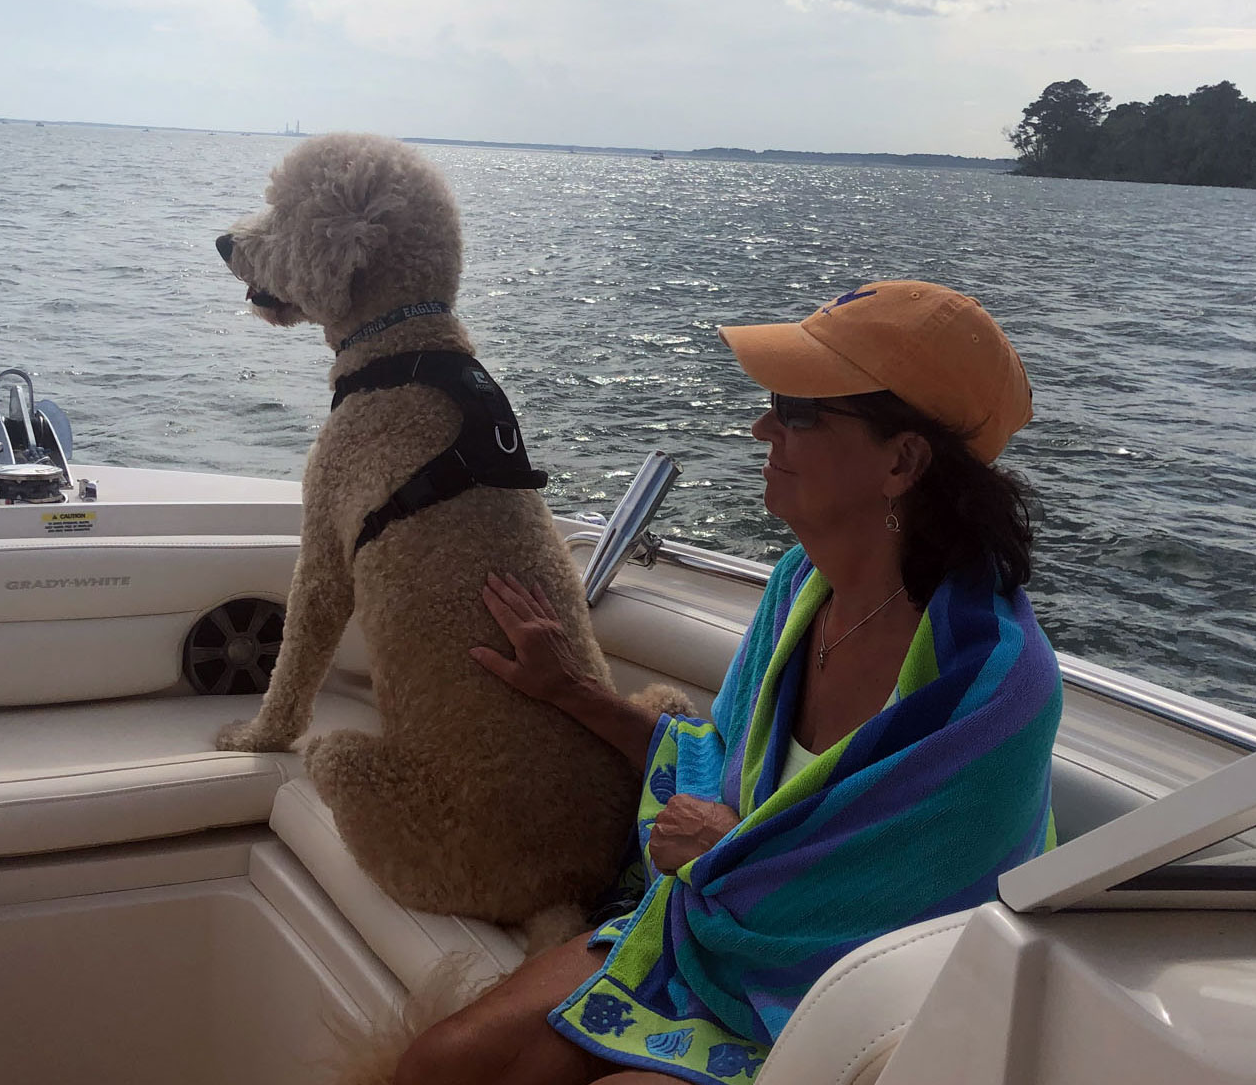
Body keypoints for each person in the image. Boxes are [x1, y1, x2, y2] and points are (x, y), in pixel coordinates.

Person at [394, 279, 1063, 1085]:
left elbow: (926, 932)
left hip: (836, 1013)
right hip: (711, 936)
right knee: (440, 1063)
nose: (761, 428)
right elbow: (723, 774)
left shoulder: (991, 689)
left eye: (798, 409)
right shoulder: (798, 589)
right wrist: (567, 689)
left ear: (903, 458)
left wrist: (725, 854)